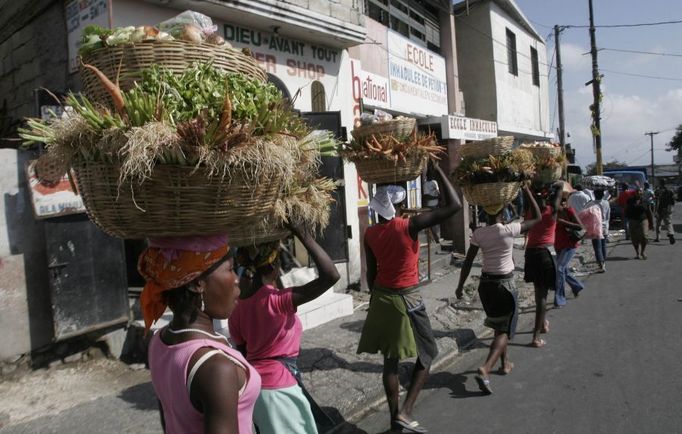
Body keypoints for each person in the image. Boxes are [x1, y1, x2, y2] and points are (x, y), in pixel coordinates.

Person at [357, 161, 461, 433]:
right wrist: (439, 172)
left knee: (390, 361)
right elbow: (453, 207)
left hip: (381, 297)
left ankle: (395, 422)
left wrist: (374, 300)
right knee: (428, 352)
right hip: (408, 299)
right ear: (397, 207)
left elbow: (371, 274)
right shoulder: (407, 226)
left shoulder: (370, 233)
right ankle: (406, 411)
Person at [141, 235, 261, 434]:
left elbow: (169, 419)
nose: (237, 279)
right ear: (197, 283)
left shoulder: (159, 340)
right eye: (230, 269)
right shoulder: (216, 367)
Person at [228, 225, 340, 434]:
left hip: (257, 390)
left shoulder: (237, 310)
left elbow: (244, 355)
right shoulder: (278, 301)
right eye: (278, 260)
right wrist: (301, 232)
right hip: (279, 390)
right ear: (273, 265)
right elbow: (331, 275)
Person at [455, 185, 541, 394]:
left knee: (498, 323)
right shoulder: (509, 230)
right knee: (504, 329)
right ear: (502, 212)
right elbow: (538, 217)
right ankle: (486, 368)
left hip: (486, 286)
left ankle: (505, 363)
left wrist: (460, 286)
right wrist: (527, 189)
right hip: (505, 285)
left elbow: (468, 262)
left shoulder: (478, 233)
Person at [523, 183, 562, 348]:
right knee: (542, 297)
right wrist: (555, 184)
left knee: (538, 291)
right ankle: (536, 337)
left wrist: (527, 189)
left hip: (530, 254)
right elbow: (559, 191)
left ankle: (543, 323)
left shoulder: (530, 212)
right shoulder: (552, 211)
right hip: (545, 254)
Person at [554, 193, 586, 307]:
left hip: (569, 244)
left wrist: (563, 222)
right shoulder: (552, 213)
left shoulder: (569, 211)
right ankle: (577, 286)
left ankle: (559, 299)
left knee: (559, 268)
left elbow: (580, 226)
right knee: (564, 270)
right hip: (558, 244)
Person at [625, 189, 654, 259]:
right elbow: (626, 209)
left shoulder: (645, 201)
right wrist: (627, 218)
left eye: (640, 191)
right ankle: (637, 253)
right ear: (635, 192)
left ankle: (642, 252)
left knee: (644, 236)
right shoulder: (630, 200)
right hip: (632, 220)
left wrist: (651, 223)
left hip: (643, 220)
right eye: (637, 191)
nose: (639, 192)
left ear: (642, 192)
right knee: (634, 238)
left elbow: (649, 212)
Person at [587, 189, 610, 272]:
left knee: (597, 247)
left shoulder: (591, 204)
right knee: (603, 246)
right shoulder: (606, 203)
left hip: (595, 227)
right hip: (604, 226)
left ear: (594, 194)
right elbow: (608, 216)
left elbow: (586, 215)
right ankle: (603, 262)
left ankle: (601, 265)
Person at [654, 179, 676, 244]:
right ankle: (671, 234)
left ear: (660, 183)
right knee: (668, 223)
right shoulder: (670, 191)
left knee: (658, 223)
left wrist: (656, 210)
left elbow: (656, 201)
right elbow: (673, 199)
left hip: (660, 209)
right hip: (668, 209)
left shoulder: (658, 191)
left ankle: (658, 237)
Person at [422, 170, 441, 244]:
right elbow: (426, 196)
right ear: (427, 176)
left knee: (436, 222)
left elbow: (438, 193)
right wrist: (435, 197)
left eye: (432, 174)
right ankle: (436, 238)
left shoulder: (434, 182)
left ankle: (436, 238)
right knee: (432, 223)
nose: (432, 176)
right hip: (430, 206)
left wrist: (437, 197)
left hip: (436, 205)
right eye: (430, 175)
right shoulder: (426, 184)